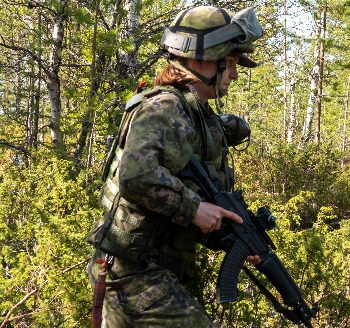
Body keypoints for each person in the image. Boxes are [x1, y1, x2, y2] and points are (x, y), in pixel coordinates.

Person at [86, 6, 263, 327]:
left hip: (156, 270)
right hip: (132, 273)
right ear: (199, 61)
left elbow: (186, 205)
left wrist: (234, 239)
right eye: (232, 63)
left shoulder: (196, 115)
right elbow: (135, 175)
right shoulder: (165, 106)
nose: (234, 75)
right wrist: (195, 209)